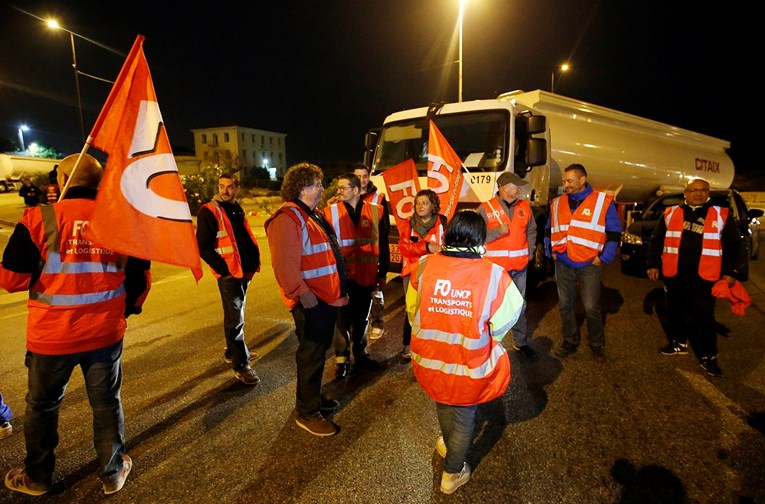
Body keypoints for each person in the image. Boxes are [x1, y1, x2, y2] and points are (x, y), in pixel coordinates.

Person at [0, 153, 151, 496]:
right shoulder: (121, 220)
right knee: (106, 403)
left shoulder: (39, 219)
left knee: (42, 406)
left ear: (64, 177)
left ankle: (37, 478)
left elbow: (10, 279)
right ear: (98, 182)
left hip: (51, 336)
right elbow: (140, 280)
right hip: (105, 335)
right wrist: (122, 312)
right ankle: (112, 472)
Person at [406, 210, 524, 495]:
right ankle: (453, 471)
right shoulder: (493, 274)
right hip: (467, 362)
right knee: (463, 417)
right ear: (480, 238)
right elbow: (509, 315)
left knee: (443, 402)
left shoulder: (423, 265)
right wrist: (491, 336)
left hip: (429, 358)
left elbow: (413, 311)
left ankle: (449, 444)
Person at [265, 162, 348, 437]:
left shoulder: (310, 215)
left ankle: (312, 398)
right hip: (311, 301)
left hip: (323, 299)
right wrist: (303, 294)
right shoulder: (287, 218)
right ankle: (307, 412)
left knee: (317, 352)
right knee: (311, 355)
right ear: (302, 188)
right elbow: (284, 266)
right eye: (317, 184)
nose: (322, 189)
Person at [646, 178, 745, 377]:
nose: (698, 193)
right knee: (675, 311)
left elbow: (735, 247)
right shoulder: (670, 213)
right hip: (675, 274)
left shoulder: (721, 215)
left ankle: (708, 356)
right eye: (694, 190)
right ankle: (678, 343)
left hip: (705, 276)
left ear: (708, 193)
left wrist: (731, 272)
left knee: (703, 316)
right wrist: (653, 264)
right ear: (685, 193)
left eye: (703, 190)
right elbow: (657, 240)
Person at [545, 163, 621, 362]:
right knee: (565, 305)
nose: (565, 184)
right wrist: (550, 250)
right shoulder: (557, 202)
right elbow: (548, 229)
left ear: (582, 180)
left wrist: (604, 257)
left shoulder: (602, 201)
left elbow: (614, 233)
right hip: (563, 260)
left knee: (590, 307)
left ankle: (596, 344)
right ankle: (570, 341)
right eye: (564, 181)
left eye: (569, 180)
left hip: (589, 263)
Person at [196, 173, 261, 386]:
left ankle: (232, 351)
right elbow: (203, 247)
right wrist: (223, 269)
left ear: (238, 188)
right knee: (235, 318)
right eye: (221, 186)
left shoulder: (235, 207)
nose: (225, 190)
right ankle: (241, 365)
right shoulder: (210, 210)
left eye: (230, 186)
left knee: (235, 314)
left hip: (243, 271)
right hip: (230, 273)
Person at [324, 173, 387, 379]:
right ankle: (342, 360)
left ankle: (360, 353)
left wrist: (382, 273)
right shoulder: (330, 212)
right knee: (342, 320)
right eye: (338, 187)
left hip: (367, 276)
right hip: (342, 278)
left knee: (362, 318)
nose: (338, 191)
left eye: (343, 188)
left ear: (357, 190)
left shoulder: (377, 211)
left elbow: (384, 244)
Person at [478, 171, 538, 360]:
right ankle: (489, 344)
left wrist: (529, 252)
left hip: (520, 267)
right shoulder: (485, 208)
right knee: (491, 307)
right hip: (495, 269)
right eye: (515, 186)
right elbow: (477, 235)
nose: (518, 189)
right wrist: (497, 231)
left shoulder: (525, 207)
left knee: (519, 305)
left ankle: (521, 342)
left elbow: (532, 230)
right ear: (503, 188)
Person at [398, 188, 446, 360]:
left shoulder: (444, 222)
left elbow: (448, 244)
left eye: (425, 203)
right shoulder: (408, 223)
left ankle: (432, 345)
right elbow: (404, 247)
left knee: (434, 309)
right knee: (411, 310)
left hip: (436, 273)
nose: (420, 206)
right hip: (411, 273)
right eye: (418, 203)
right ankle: (407, 346)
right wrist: (426, 247)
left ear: (433, 205)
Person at [353, 162, 390, 339]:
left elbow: (383, 236)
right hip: (353, 259)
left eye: (365, 176)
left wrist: (383, 268)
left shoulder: (379, 198)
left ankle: (377, 321)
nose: (362, 180)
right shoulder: (344, 197)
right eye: (358, 176)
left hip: (373, 258)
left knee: (376, 292)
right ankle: (358, 324)